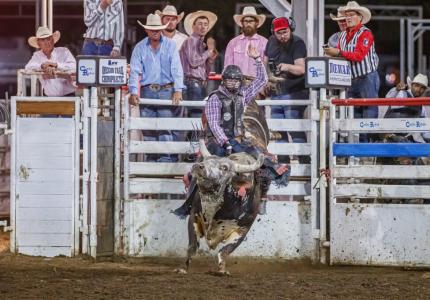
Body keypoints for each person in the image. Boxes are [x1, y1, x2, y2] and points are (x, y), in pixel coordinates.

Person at [173, 45, 289, 218]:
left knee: (262, 158)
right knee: (206, 169)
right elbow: (213, 123)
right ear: (224, 81)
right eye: (230, 80)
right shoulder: (215, 98)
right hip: (217, 140)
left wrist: (257, 60)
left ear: (240, 81)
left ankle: (262, 194)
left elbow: (262, 81)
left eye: (236, 81)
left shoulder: (243, 95)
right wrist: (225, 142)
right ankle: (189, 195)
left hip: (237, 139)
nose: (233, 83)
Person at [128, 14, 184, 162]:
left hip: (166, 89)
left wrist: (178, 89)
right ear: (146, 30)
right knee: (148, 127)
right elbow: (134, 71)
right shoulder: (139, 47)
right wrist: (134, 91)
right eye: (152, 29)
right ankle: (152, 159)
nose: (155, 32)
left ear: (161, 30)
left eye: (158, 29)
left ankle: (165, 160)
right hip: (147, 90)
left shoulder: (170, 45)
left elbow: (176, 68)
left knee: (165, 127)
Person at [324, 1, 379, 121]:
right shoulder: (343, 36)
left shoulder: (365, 33)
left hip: (367, 77)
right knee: (354, 114)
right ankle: (360, 140)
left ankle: (369, 139)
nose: (347, 18)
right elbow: (340, 54)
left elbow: (358, 56)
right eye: (346, 15)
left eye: (351, 15)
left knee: (369, 112)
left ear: (359, 17)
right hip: (350, 79)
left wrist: (337, 52)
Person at [264, 17, 308, 144]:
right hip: (276, 92)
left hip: (295, 91)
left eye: (285, 32)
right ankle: (283, 163)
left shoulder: (298, 43)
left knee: (293, 127)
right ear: (274, 32)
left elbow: (301, 69)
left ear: (291, 29)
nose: (283, 35)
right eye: (279, 33)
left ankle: (303, 161)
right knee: (277, 130)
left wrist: (287, 66)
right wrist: (265, 80)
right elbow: (265, 62)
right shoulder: (271, 41)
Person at [180, 10, 218, 117]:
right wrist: (208, 53)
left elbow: (203, 67)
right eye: (200, 24)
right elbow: (193, 62)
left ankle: (192, 134)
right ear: (193, 26)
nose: (203, 27)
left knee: (196, 115)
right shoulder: (191, 40)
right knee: (196, 115)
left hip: (197, 83)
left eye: (205, 24)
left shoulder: (201, 44)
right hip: (192, 82)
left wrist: (210, 60)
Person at [25, 26, 76, 97]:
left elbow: (74, 67)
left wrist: (56, 65)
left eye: (48, 39)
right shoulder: (37, 55)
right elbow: (28, 68)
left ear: (52, 40)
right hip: (49, 98)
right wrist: (42, 66)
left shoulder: (64, 51)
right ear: (39, 44)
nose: (47, 42)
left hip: (69, 96)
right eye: (43, 40)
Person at [224, 6, 267, 81]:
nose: (248, 23)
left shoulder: (265, 43)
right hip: (237, 84)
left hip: (257, 84)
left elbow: (266, 68)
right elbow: (227, 67)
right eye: (246, 21)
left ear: (256, 23)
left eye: (251, 21)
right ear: (242, 23)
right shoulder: (233, 43)